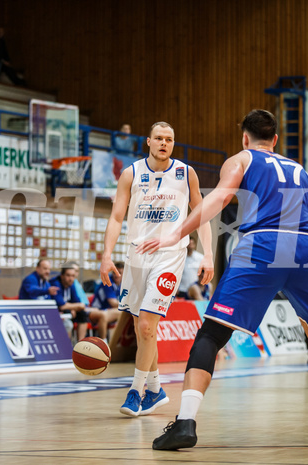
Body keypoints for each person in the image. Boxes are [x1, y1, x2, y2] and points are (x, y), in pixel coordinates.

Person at [139, 109, 308, 449]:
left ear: (246, 137)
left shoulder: (241, 158)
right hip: (306, 249)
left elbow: (219, 198)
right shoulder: (299, 170)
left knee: (212, 334)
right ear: (274, 140)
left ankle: (185, 424)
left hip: (263, 244)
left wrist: (175, 234)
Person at [100, 121, 213, 417]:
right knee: (142, 329)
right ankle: (156, 389)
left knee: (148, 324)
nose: (164, 143)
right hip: (137, 257)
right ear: (148, 142)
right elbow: (115, 217)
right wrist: (106, 255)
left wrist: (208, 254)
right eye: (159, 138)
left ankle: (135, 391)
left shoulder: (186, 173)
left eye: (170, 139)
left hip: (170, 257)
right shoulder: (131, 173)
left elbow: (201, 214)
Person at [50, 264, 107, 341]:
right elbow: (61, 305)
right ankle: (67, 347)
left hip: (68, 311)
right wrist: (74, 307)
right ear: (62, 275)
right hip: (56, 312)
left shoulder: (71, 284)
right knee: (70, 320)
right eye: (68, 275)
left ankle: (80, 344)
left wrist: (73, 308)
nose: (71, 278)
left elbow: (76, 301)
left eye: (73, 276)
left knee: (82, 314)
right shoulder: (55, 283)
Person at [91, 260, 123, 333]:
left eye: (119, 273)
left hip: (109, 310)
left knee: (126, 313)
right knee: (123, 312)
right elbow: (113, 303)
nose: (116, 275)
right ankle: (104, 341)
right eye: (114, 272)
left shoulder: (122, 284)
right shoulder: (107, 281)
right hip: (97, 310)